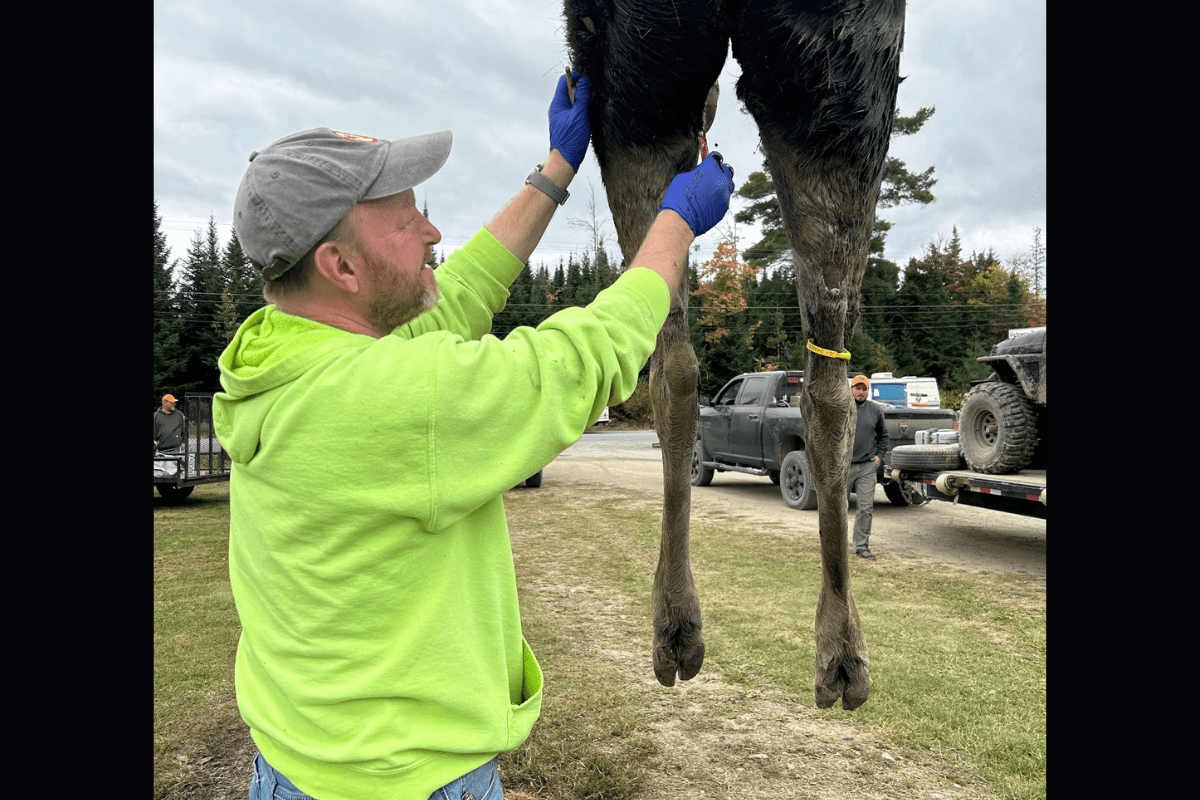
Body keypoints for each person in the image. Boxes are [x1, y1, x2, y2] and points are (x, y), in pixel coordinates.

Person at [213, 70, 735, 800]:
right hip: (402, 781)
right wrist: (674, 226)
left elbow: (454, 294)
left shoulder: (287, 348)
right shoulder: (384, 398)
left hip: (303, 760)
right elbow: (575, 361)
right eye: (404, 220)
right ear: (340, 265)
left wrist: (555, 170)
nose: (431, 231)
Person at [849, 375, 889, 560]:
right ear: (851, 389)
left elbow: (883, 436)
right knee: (836, 509)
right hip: (843, 467)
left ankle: (861, 547)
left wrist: (878, 458)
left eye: (864, 388)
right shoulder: (842, 408)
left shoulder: (875, 410)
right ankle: (834, 546)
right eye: (857, 388)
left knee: (865, 509)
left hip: (867, 466)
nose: (861, 392)